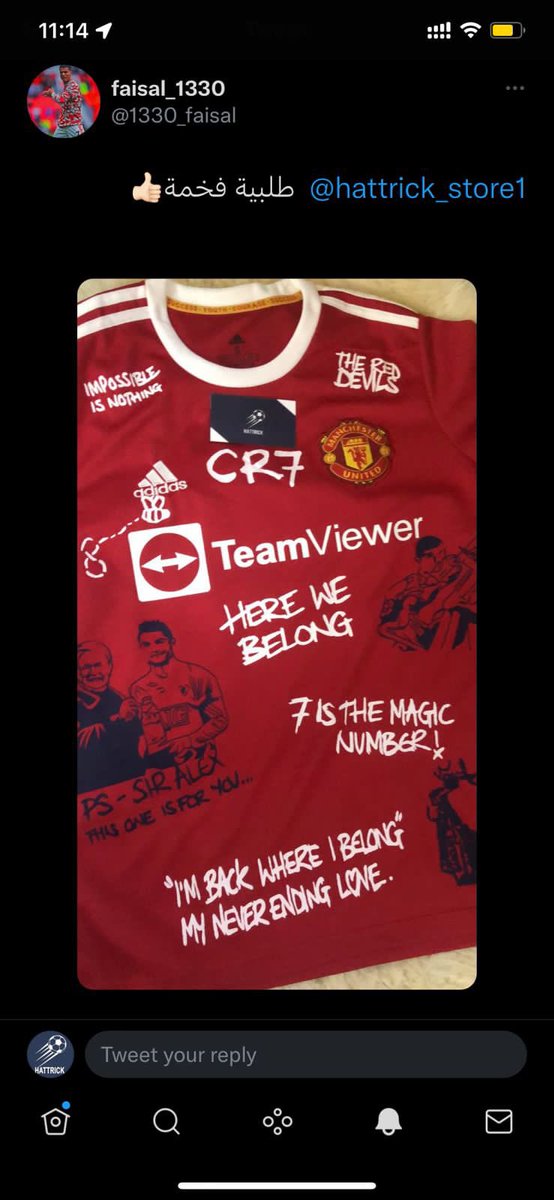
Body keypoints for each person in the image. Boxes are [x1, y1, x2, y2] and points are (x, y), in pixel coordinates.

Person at [128, 621, 228, 772]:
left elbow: (220, 719)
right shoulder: (138, 688)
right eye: (146, 645)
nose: (154, 649)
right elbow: (143, 732)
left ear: (171, 642)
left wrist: (190, 741)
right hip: (162, 768)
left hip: (200, 760)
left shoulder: (198, 676)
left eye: (159, 642)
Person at [77, 641, 142, 792]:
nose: (93, 672)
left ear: (109, 666)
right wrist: (119, 719)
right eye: (86, 667)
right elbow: (82, 743)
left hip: (133, 784)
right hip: (97, 791)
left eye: (97, 665)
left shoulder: (118, 697)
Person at [43, 66, 84, 138]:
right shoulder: (66, 85)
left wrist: (52, 94)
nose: (63, 74)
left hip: (73, 125)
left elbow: (62, 100)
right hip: (63, 125)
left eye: (65, 72)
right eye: (61, 72)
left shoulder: (73, 86)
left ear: (70, 72)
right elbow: (64, 103)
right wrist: (51, 95)